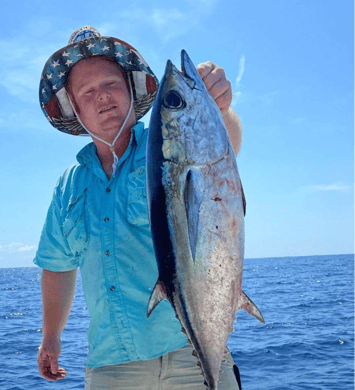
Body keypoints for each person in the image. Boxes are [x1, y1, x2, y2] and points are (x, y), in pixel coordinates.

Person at [34, 26, 243, 390]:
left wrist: (220, 109)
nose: (102, 97)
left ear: (131, 90)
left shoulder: (165, 145)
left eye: (111, 84)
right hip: (112, 365)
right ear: (75, 109)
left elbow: (222, 151)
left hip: (188, 349)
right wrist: (51, 336)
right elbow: (58, 265)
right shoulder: (69, 187)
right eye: (87, 92)